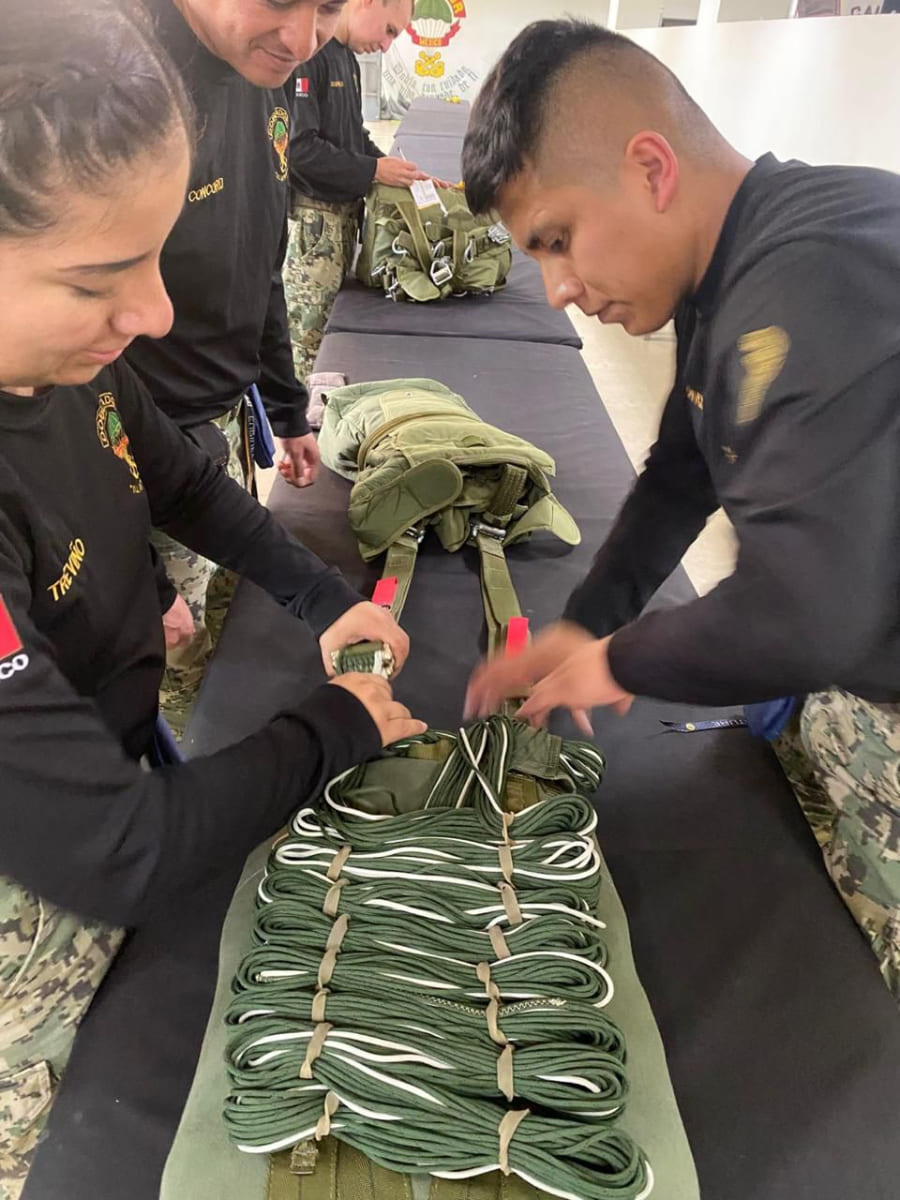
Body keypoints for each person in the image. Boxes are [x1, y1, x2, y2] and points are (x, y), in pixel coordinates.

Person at [0, 4, 424, 1193]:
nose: (156, 315)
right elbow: (113, 852)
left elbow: (180, 478)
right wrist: (337, 725)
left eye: (153, 256)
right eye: (99, 278)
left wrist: (318, 599)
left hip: (107, 751)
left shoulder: (61, 364)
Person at [461, 19, 900, 999]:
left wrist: (612, 663)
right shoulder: (731, 266)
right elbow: (679, 471)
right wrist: (586, 621)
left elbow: (811, 613)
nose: (560, 290)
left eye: (560, 241)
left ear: (651, 167)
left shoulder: (806, 288)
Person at [125, 0, 354, 732]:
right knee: (162, 683)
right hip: (140, 453)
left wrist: (286, 409)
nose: (301, 38)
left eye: (327, 8)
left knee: (220, 648)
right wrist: (139, 569)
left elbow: (261, 260)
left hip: (216, 432)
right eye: (280, 0)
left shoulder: (261, 68)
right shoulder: (119, 78)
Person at [283, 0, 422, 388]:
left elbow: (352, 135)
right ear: (368, 3)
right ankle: (297, 438)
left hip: (344, 222)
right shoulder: (311, 55)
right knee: (309, 343)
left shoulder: (347, 60)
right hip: (314, 229)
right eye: (390, 30)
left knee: (334, 336)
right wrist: (373, 170)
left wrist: (391, 169)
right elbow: (299, 150)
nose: (386, 45)